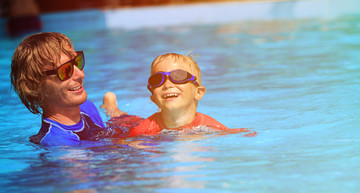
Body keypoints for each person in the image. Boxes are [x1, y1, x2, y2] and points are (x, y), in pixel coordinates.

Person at [102, 52, 255, 137]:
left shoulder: (207, 124)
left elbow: (227, 133)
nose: (168, 84)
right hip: (133, 125)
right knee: (120, 120)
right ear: (153, 97)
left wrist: (241, 134)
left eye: (179, 76)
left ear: (199, 92)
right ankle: (111, 107)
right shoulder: (143, 130)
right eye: (157, 79)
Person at [10, 32, 106, 146]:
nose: (80, 74)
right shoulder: (59, 144)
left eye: (78, 62)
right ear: (34, 86)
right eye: (65, 70)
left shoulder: (87, 108)